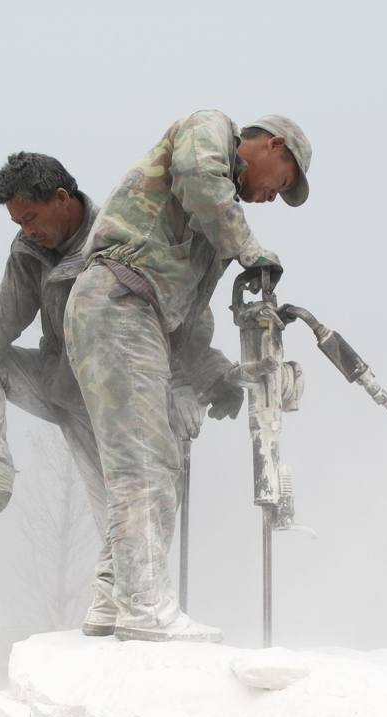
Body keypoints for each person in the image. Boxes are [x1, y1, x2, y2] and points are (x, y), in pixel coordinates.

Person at [0, 152, 242, 634]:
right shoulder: (28, 252)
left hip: (116, 395)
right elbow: (1, 322)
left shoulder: (120, 238)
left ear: (62, 199)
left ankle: (114, 606)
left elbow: (181, 316)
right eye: (18, 221)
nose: (26, 229)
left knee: (129, 501)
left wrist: (198, 381)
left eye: (31, 218)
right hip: (59, 380)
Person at [63, 111, 312, 642]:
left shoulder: (207, 228)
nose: (272, 197)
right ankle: (145, 606)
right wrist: (250, 251)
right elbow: (201, 181)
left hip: (136, 315)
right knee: (146, 461)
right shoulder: (210, 131)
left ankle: (114, 597)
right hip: (118, 302)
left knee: (149, 458)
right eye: (282, 182)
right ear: (272, 145)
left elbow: (190, 321)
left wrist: (218, 376)